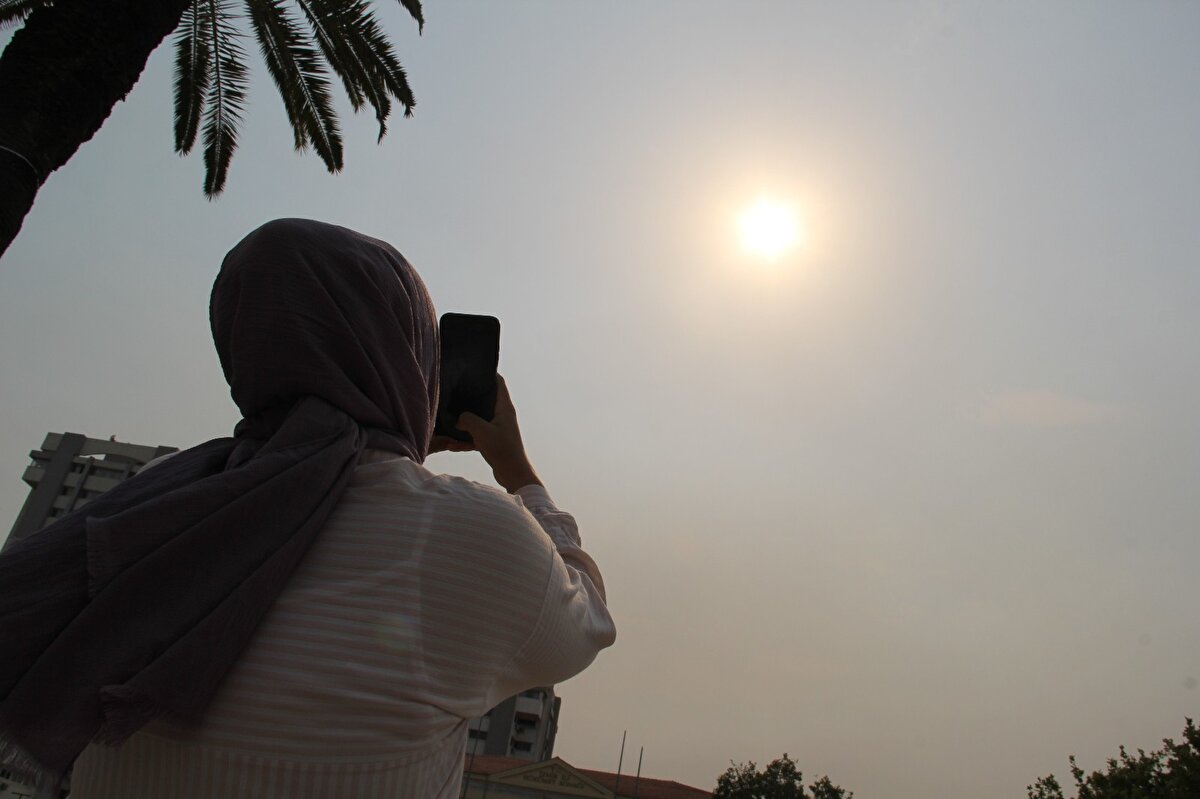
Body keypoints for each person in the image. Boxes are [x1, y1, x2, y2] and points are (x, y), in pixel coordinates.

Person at [0, 218, 615, 798]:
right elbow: (586, 624)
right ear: (406, 359)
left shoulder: (161, 494)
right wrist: (517, 471)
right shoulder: (472, 532)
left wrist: (384, 442)